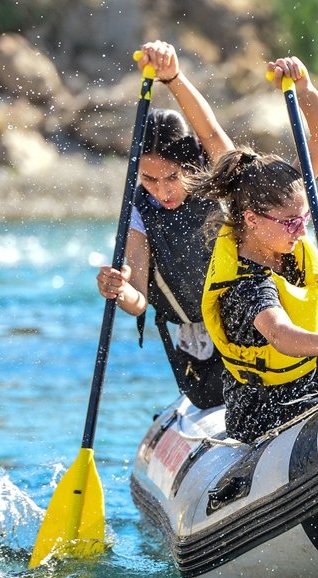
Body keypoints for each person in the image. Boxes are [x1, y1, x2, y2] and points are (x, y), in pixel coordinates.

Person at [194, 59, 318, 443]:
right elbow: (279, 333)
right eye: (288, 222)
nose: (300, 230)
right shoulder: (245, 283)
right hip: (264, 406)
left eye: (303, 218)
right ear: (251, 220)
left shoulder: (282, 218)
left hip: (313, 374)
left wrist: (305, 89)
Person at [95, 40, 235, 409]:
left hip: (251, 322)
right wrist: (118, 289)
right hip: (197, 345)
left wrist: (173, 78)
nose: (161, 191)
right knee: (209, 400)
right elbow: (138, 300)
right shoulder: (137, 210)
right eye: (149, 180)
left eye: (171, 177)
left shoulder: (218, 178)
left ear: (191, 166)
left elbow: (210, 133)